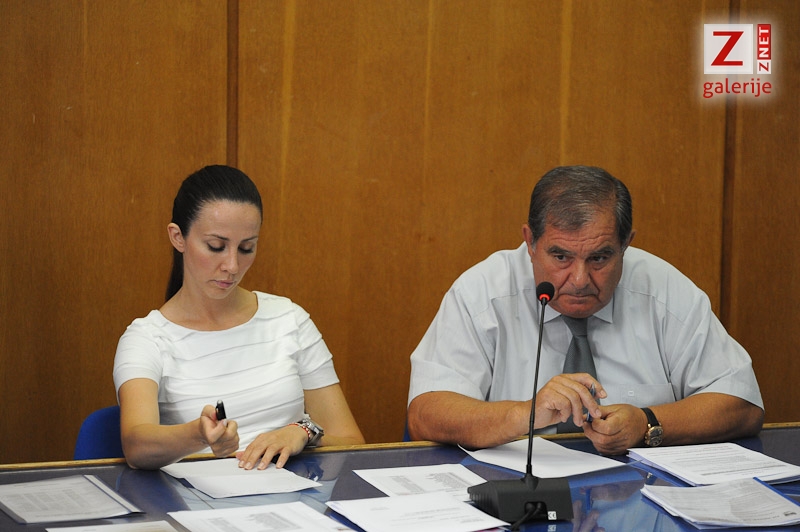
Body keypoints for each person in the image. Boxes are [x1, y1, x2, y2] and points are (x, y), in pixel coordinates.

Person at [407, 165, 764, 455]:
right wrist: (523, 414)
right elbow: (426, 412)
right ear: (530, 242)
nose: (579, 280)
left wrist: (648, 422)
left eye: (599, 258)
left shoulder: (664, 290)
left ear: (625, 245)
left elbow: (742, 404)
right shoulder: (483, 293)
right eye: (560, 256)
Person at [113, 165, 364, 470]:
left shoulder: (288, 319)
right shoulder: (147, 338)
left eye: (246, 248)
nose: (232, 265)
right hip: (194, 495)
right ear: (178, 237)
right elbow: (136, 445)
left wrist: (302, 432)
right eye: (216, 247)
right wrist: (198, 435)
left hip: (292, 493)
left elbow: (352, 442)